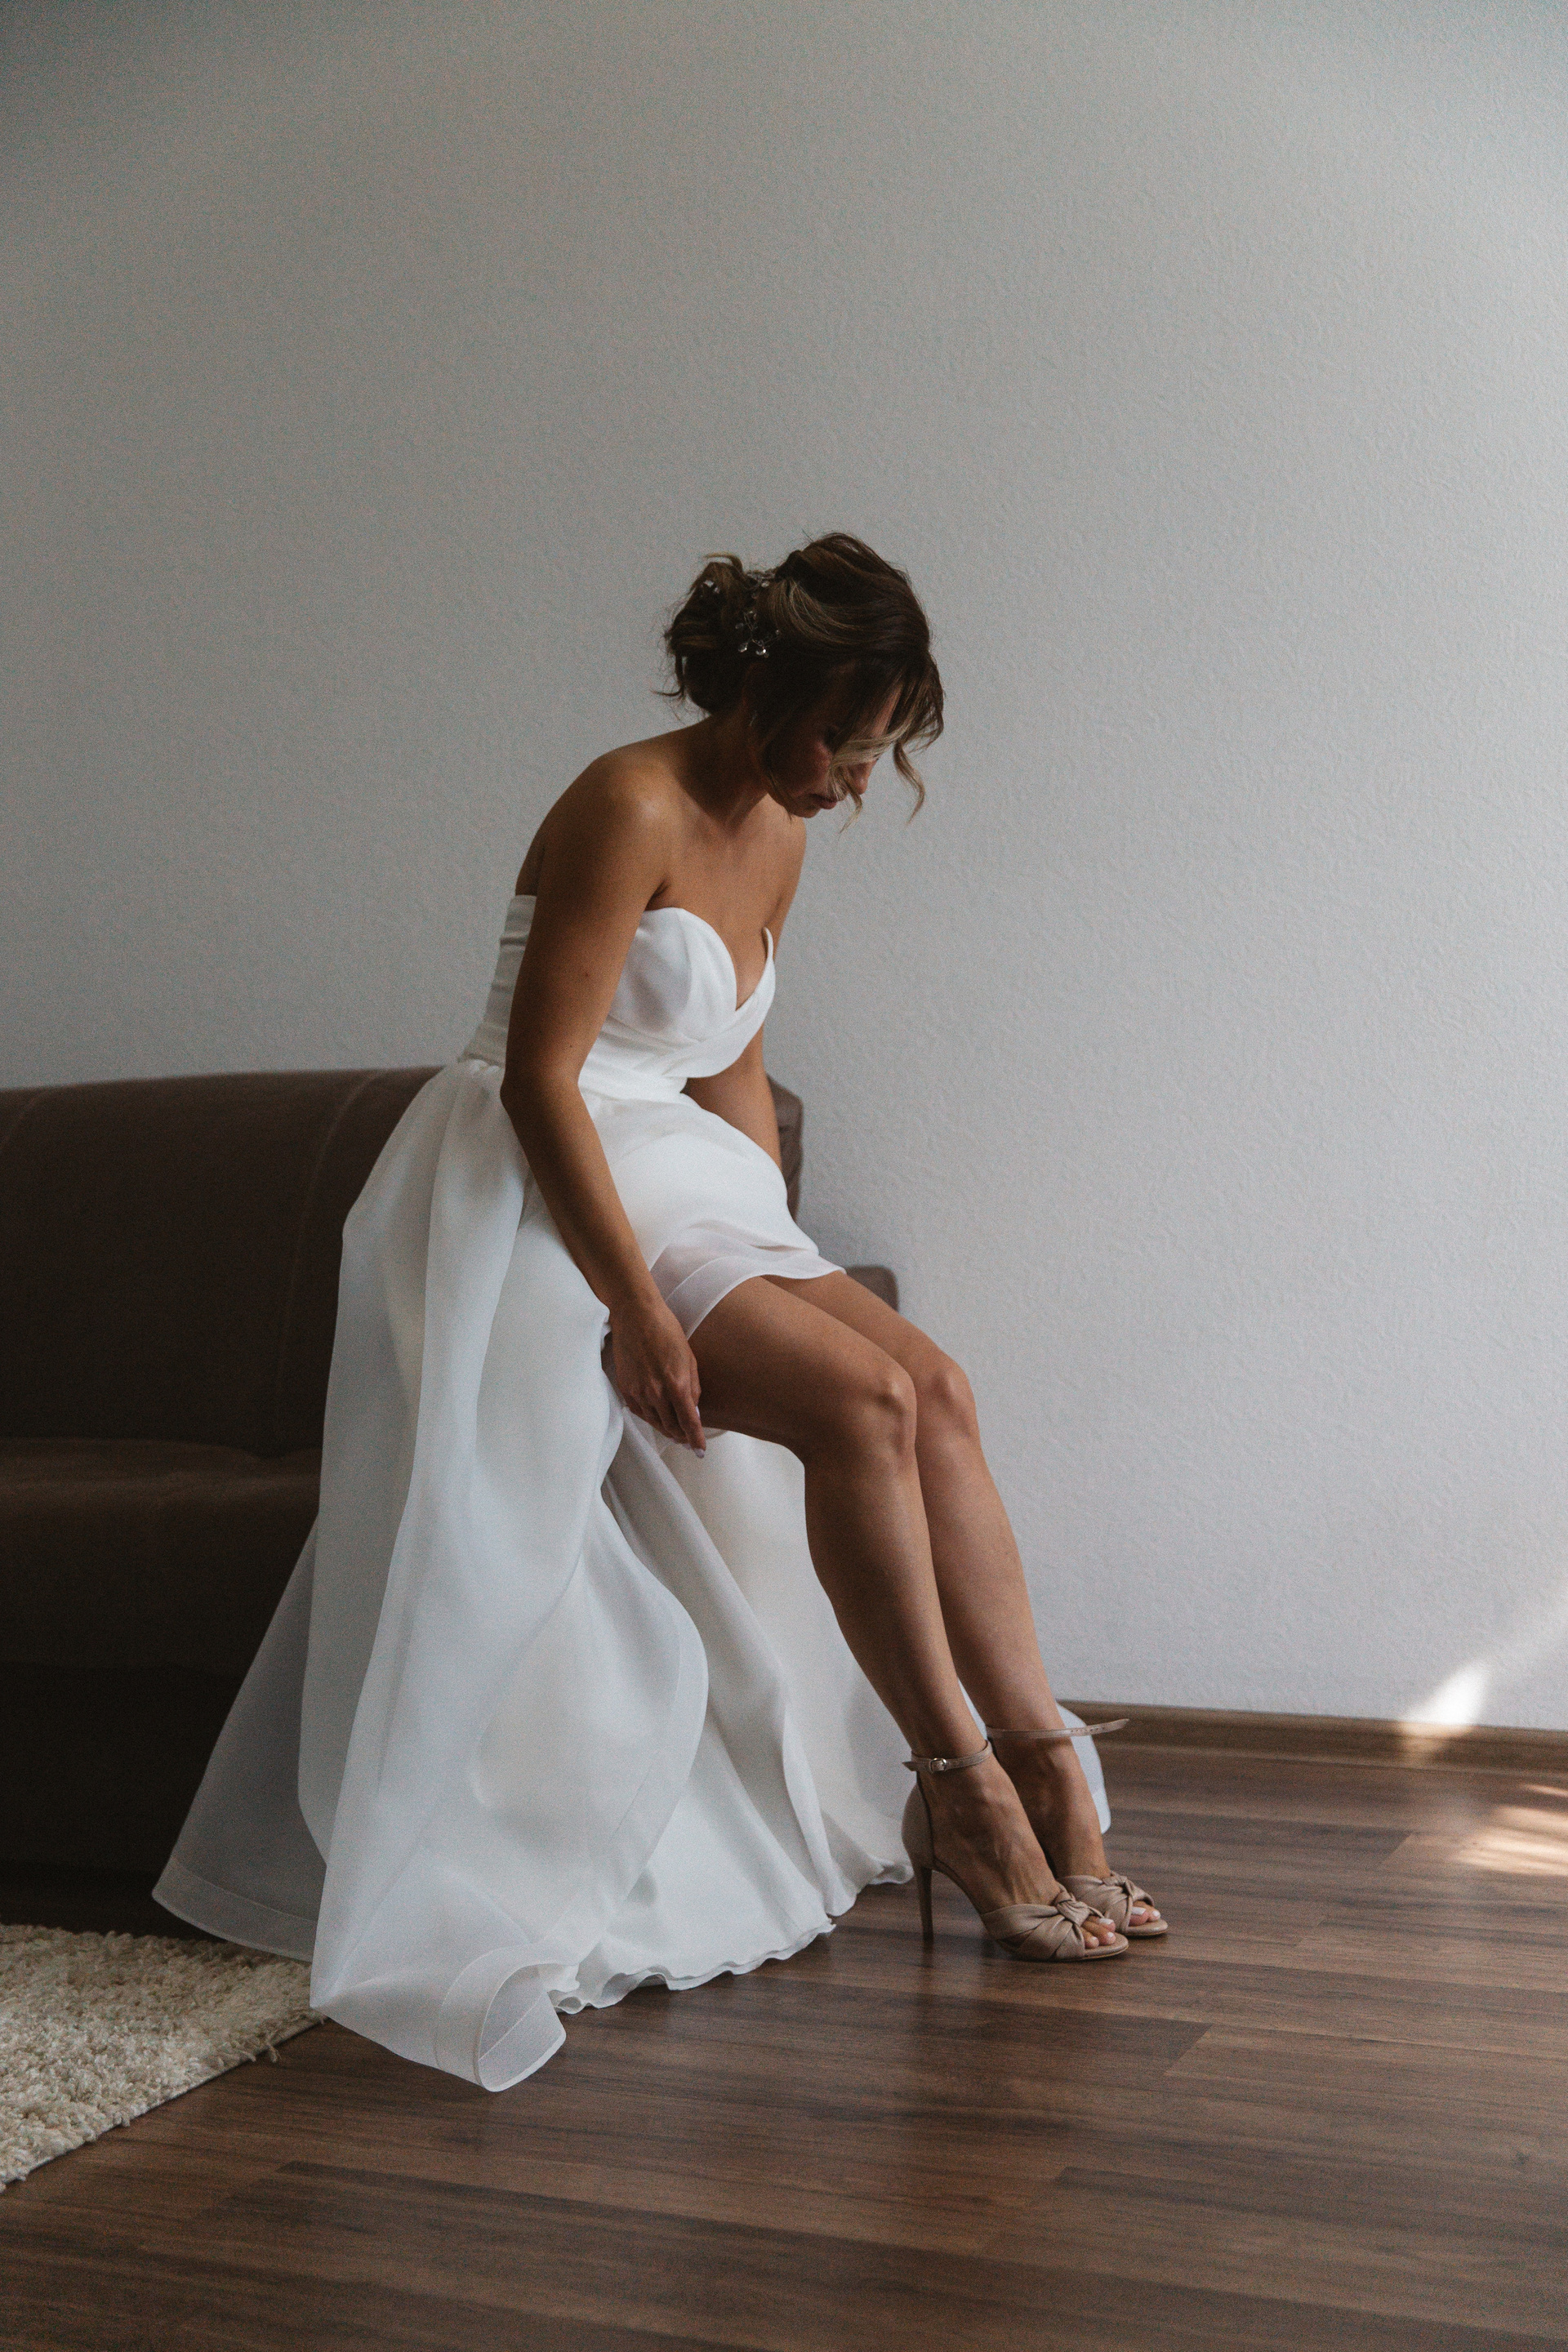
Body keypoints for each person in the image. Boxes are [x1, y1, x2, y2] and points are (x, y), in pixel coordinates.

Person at [154, 532, 1164, 2091]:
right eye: (843, 741)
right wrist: (640, 1307)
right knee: (863, 1408)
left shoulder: (785, 833)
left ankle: (1049, 1769)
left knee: (936, 1388)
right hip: (542, 1172)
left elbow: (732, 1062)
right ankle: (959, 1790)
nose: (854, 781)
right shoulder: (624, 803)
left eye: (881, 749)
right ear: (767, 691)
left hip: (684, 1170)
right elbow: (540, 1078)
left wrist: (784, 1253)